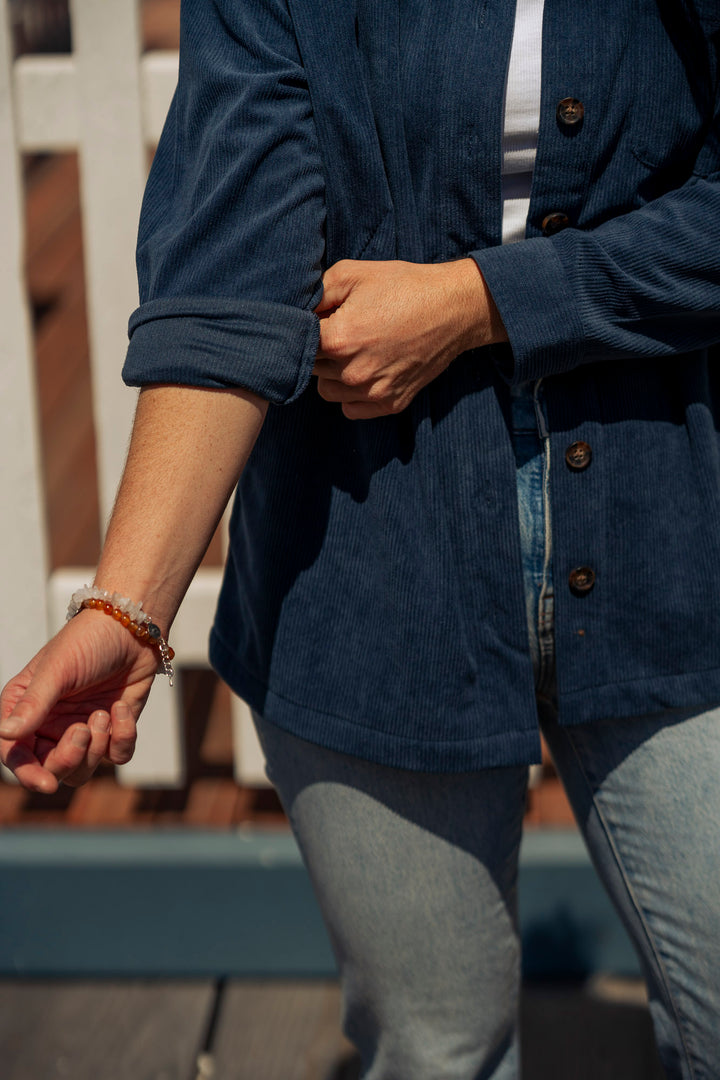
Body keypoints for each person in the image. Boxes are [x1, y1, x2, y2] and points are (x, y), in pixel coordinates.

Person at [2, 0, 720, 1075]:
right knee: (437, 1044)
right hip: (369, 531)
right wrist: (125, 609)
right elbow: (231, 273)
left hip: (675, 508)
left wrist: (484, 300)